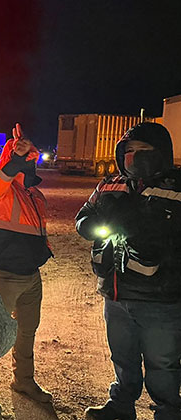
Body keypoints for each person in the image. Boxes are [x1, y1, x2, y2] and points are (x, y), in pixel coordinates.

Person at [76, 122, 181, 420]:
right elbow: (83, 216)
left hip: (162, 298)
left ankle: (168, 412)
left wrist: (155, 232)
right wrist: (91, 227)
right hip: (116, 293)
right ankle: (121, 406)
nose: (134, 157)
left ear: (161, 153)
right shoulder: (110, 184)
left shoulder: (177, 186)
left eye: (143, 151)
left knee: (163, 363)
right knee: (123, 357)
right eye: (129, 151)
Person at [0, 123, 53, 413]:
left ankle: (24, 380)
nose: (29, 163)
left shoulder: (35, 196)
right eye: (25, 158)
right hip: (1, 274)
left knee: (27, 332)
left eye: (32, 158)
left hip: (31, 276)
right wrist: (13, 160)